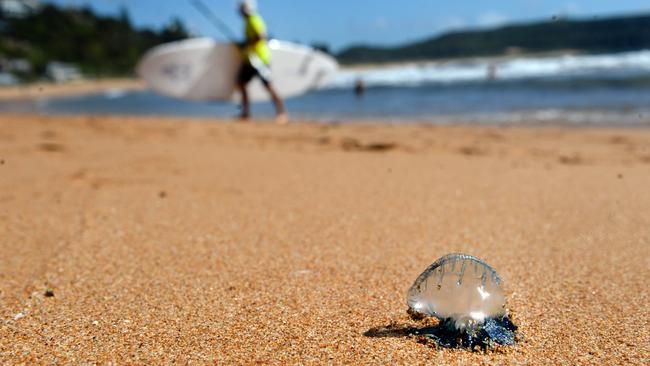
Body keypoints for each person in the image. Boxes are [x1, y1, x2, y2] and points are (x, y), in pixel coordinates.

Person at [236, 0, 287, 124]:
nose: (239, 11)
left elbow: (261, 36)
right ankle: (246, 113)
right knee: (241, 83)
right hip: (249, 59)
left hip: (260, 60)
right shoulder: (248, 22)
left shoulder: (254, 19)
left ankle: (282, 113)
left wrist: (247, 43)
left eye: (241, 8)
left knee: (268, 86)